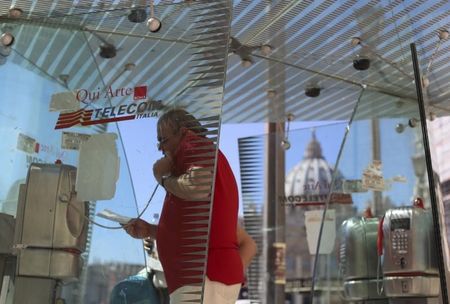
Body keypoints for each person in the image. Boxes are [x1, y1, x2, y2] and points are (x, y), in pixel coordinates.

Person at [124, 108, 257, 304]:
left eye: (164, 139)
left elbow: (197, 185)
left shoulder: (193, 145)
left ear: (184, 132)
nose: (160, 148)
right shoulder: (206, 155)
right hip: (208, 277)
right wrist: (152, 231)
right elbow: (201, 226)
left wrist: (162, 177)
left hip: (202, 276)